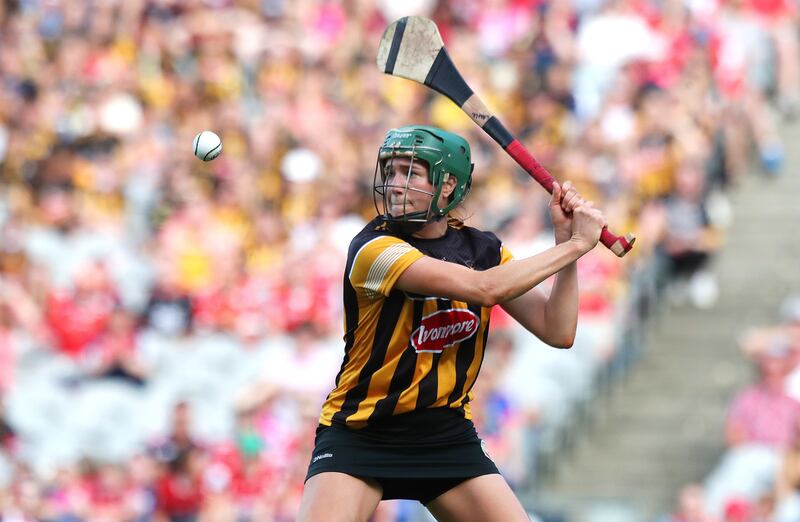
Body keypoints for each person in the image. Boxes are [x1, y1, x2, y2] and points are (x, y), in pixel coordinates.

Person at [296, 125, 607, 522]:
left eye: (410, 172)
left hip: (444, 434)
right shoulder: (374, 248)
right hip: (363, 430)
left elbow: (557, 330)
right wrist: (580, 244)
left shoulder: (482, 248)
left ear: (448, 186)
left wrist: (568, 248)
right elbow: (485, 289)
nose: (394, 184)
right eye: (390, 172)